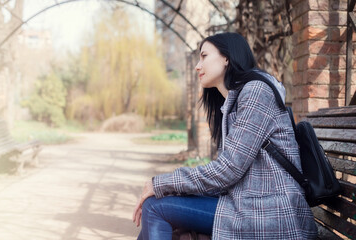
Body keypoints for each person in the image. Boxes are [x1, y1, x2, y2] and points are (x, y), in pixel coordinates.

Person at [132, 32, 318, 240]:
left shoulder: (256, 92)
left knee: (154, 208)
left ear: (227, 58)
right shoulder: (233, 103)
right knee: (155, 205)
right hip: (248, 206)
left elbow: (228, 169)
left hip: (273, 213)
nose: (197, 66)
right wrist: (167, 189)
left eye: (204, 56)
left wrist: (161, 184)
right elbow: (227, 175)